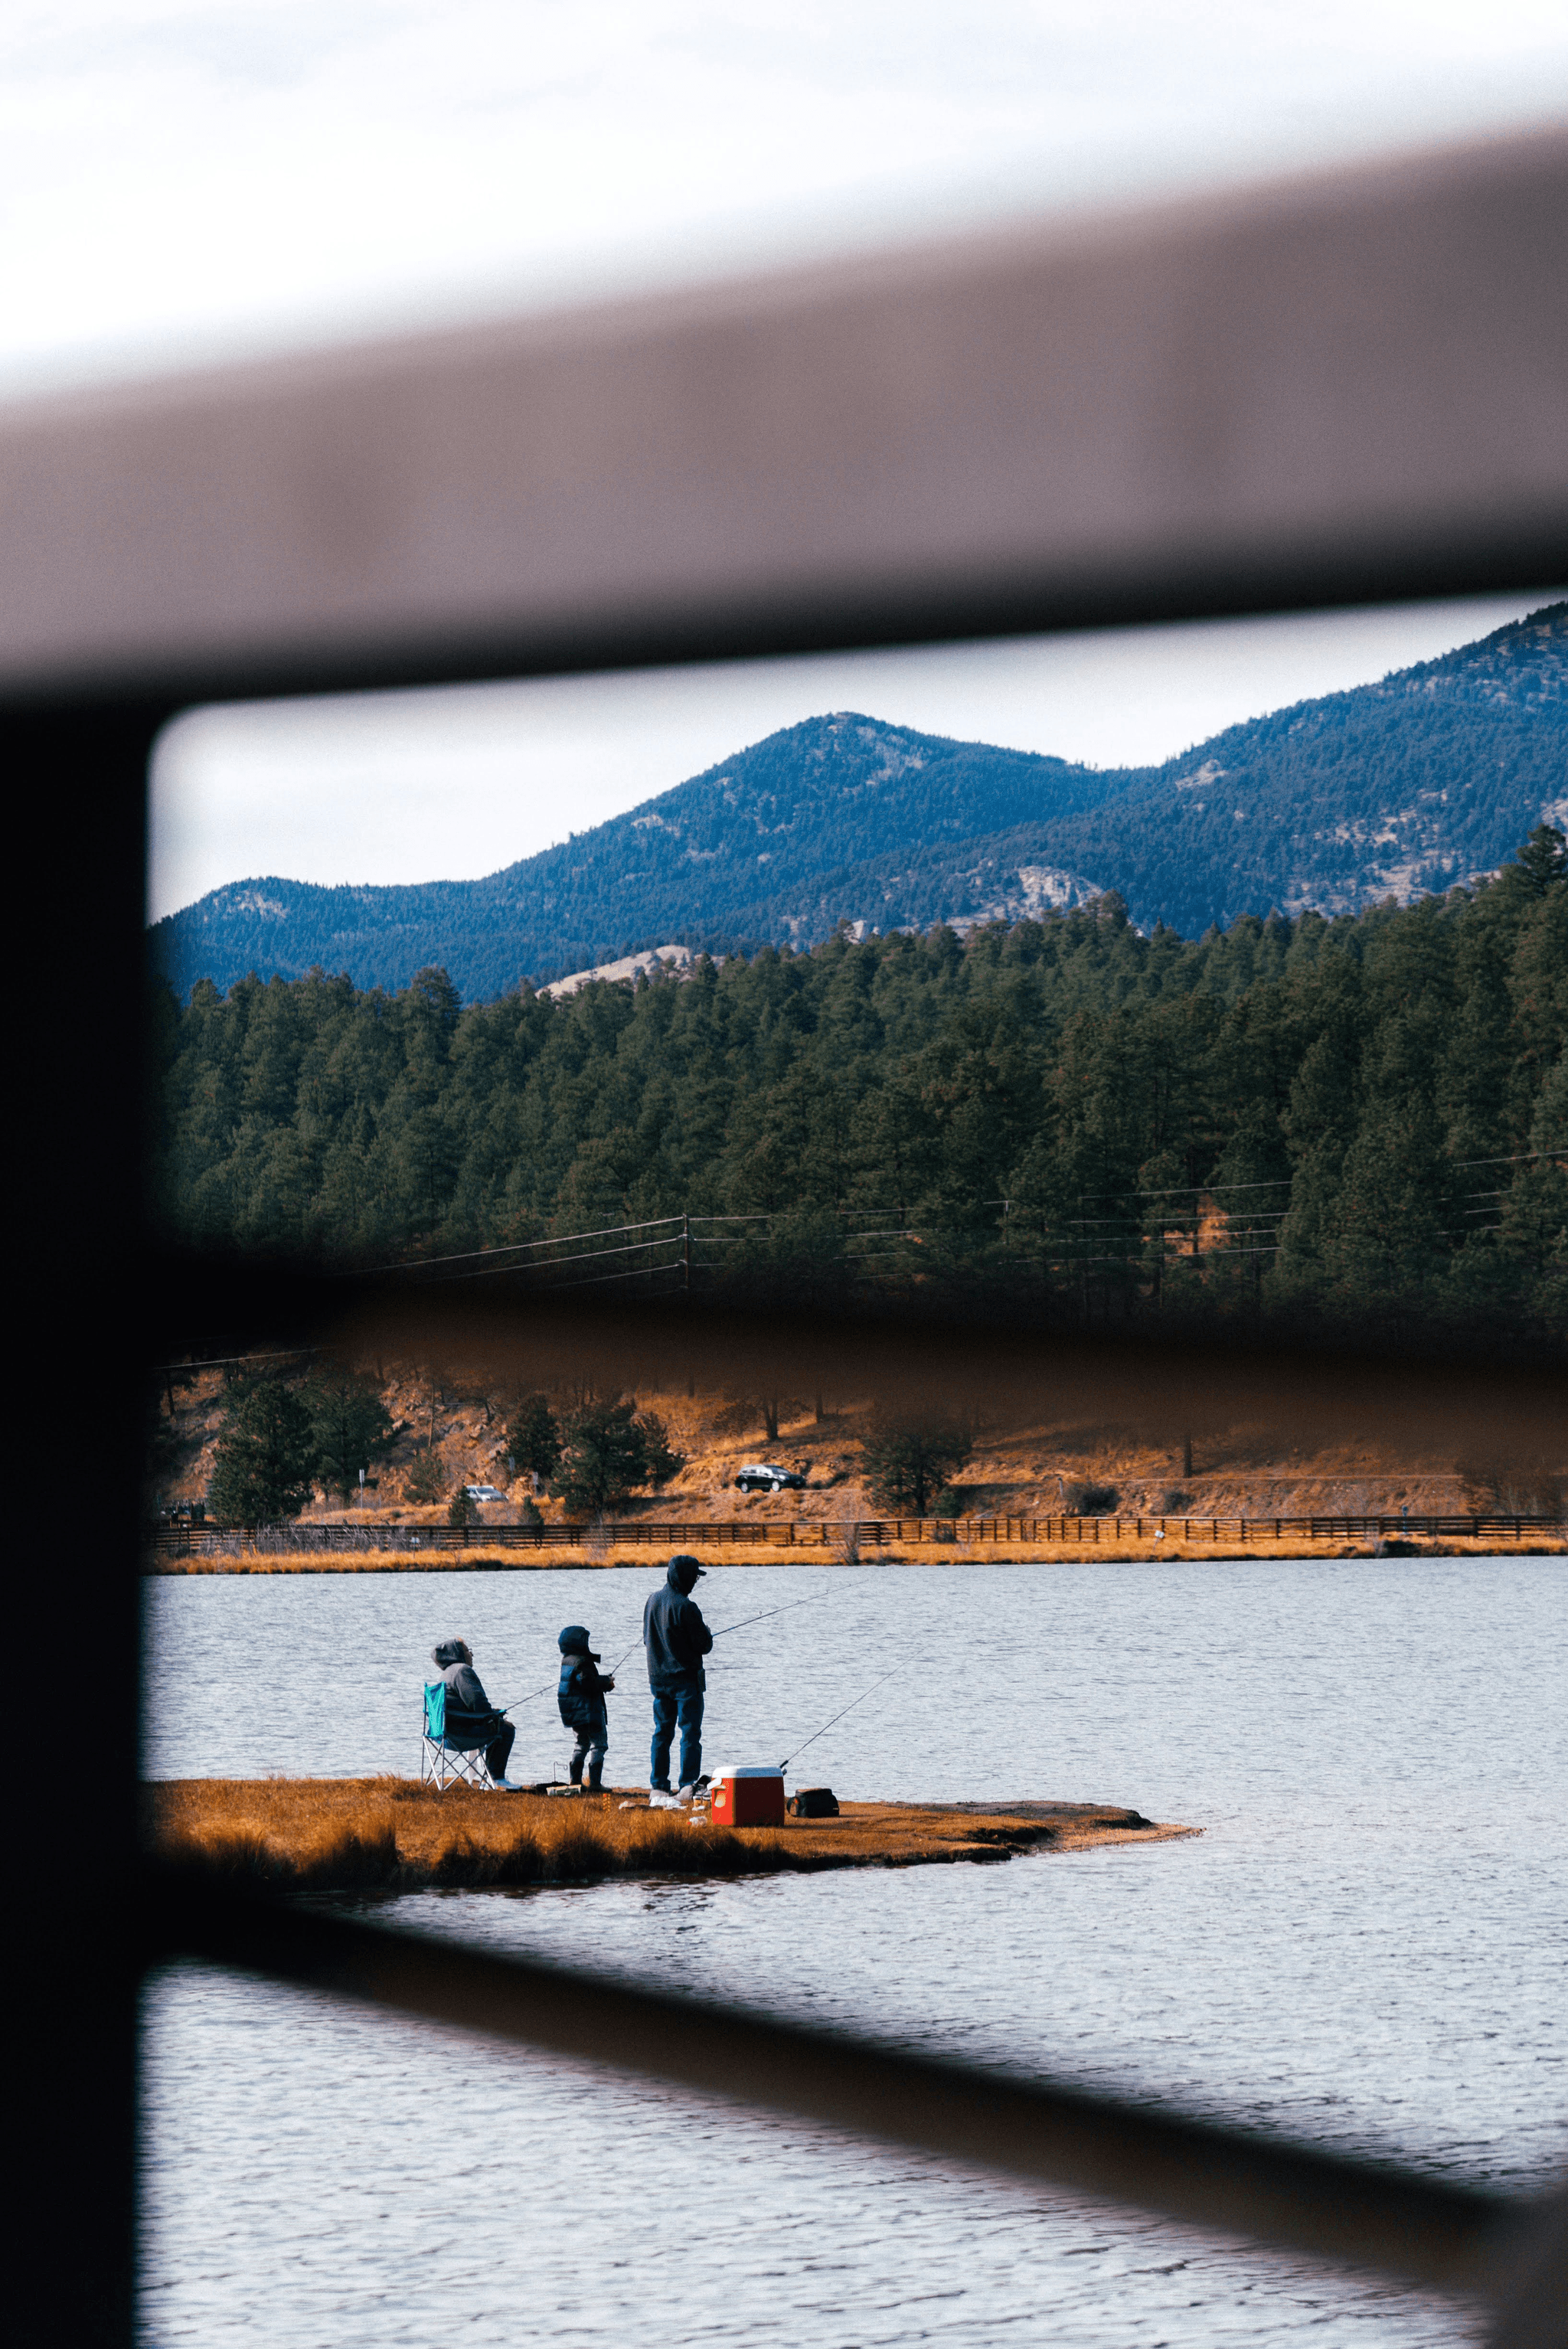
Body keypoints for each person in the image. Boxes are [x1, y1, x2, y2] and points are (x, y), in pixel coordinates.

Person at [642, 1553, 714, 1806]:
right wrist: (707, 1634)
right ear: (683, 1577)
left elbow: (647, 1639)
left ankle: (658, 1788)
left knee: (662, 1733)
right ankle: (687, 1786)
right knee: (690, 1734)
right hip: (685, 1681)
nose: (695, 1582)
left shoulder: (652, 1600)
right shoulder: (687, 1607)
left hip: (657, 1680)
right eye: (694, 1577)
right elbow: (704, 1646)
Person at [430, 1638, 518, 1787]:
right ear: (457, 1653)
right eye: (467, 1650)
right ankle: (496, 1779)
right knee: (506, 1729)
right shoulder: (462, 1670)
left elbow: (466, 1705)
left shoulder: (447, 1673)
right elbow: (477, 1702)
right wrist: (492, 1716)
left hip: (442, 1734)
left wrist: (492, 1713)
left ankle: (489, 1778)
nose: (471, 1654)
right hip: (459, 1735)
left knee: (495, 1722)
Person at [557, 1624, 615, 1792]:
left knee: (580, 1745)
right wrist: (606, 1682)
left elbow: (582, 1683)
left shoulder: (567, 1661)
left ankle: (575, 1782)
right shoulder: (582, 1662)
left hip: (575, 1714)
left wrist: (603, 1682)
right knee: (599, 1745)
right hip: (589, 1712)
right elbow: (588, 1683)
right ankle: (595, 1784)